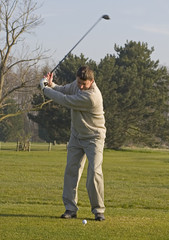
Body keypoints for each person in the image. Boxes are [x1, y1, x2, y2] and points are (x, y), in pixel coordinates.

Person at [40, 66, 106, 221]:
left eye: (84, 84)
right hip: (76, 136)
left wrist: (44, 89)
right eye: (79, 83)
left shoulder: (92, 97)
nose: (80, 87)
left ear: (92, 81)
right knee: (71, 171)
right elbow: (63, 90)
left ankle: (98, 210)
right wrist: (51, 84)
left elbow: (65, 100)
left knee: (95, 172)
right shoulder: (76, 86)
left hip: (94, 137)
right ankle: (70, 208)